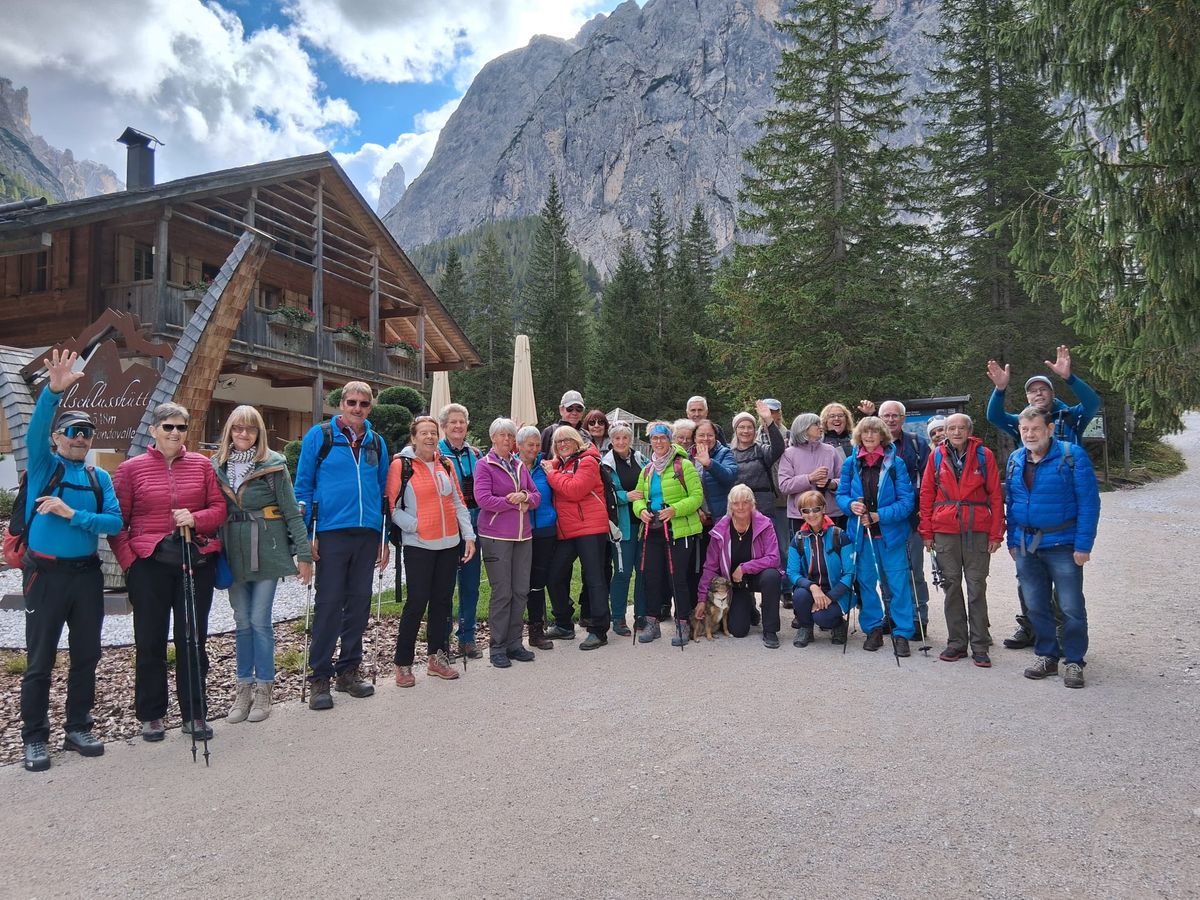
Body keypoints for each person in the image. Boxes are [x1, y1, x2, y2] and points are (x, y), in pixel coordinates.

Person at [19, 349, 122, 772]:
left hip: (85, 578)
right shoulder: (44, 468)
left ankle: (78, 726)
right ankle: (34, 737)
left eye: (87, 432)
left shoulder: (100, 478)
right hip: (45, 575)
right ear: (58, 437)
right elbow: (34, 432)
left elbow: (113, 521)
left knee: (86, 654)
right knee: (40, 657)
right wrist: (52, 394)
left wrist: (71, 514)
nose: (81, 437)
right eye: (74, 431)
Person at [111, 401, 227, 740]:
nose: (175, 433)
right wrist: (130, 563)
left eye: (181, 427)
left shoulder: (202, 466)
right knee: (150, 639)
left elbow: (218, 509)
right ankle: (152, 714)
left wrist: (196, 518)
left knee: (192, 638)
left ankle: (195, 713)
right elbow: (119, 523)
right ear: (154, 430)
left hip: (194, 559)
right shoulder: (131, 469)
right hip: (149, 563)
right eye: (168, 427)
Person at [986, 345, 1101, 650]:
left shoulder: (1071, 416)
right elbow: (993, 415)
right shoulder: (1022, 424)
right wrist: (1000, 389)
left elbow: (1093, 402)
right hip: (1029, 526)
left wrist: (1070, 377)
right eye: (1032, 390)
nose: (1037, 393)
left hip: (1063, 514)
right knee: (1030, 585)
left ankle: (1066, 640)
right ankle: (1032, 629)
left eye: (1043, 389)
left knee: (1067, 592)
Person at [212, 405, 312, 723]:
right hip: (233, 550)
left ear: (259, 433)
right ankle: (243, 690)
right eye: (238, 428)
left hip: (267, 550)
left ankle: (265, 690)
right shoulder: (216, 466)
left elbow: (291, 511)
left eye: (250, 429)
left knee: (259, 620)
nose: (243, 434)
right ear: (229, 431)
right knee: (241, 621)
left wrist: (305, 555)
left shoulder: (272, 466)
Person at [293, 381, 389, 710]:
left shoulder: (376, 442)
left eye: (364, 403)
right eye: (352, 402)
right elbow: (302, 486)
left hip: (366, 532)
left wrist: (383, 538)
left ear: (369, 408)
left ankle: (348, 670)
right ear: (341, 404)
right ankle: (320, 675)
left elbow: (382, 491)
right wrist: (306, 535)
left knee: (359, 603)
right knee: (330, 603)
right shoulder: (320, 436)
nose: (357, 408)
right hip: (331, 531)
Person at [1006, 407, 1100, 689]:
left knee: (1071, 607)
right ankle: (1046, 655)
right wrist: (1012, 540)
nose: (1030, 434)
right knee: (1036, 605)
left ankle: (1073, 660)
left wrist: (1083, 545)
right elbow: (1012, 503)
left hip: (1063, 543)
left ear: (1049, 429)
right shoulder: (1015, 459)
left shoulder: (1072, 456)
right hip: (1026, 545)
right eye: (1025, 430)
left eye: (1035, 429)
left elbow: (1089, 503)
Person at [388, 415, 476, 686]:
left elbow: (458, 503)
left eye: (432, 432)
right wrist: (415, 526)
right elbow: (392, 508)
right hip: (419, 546)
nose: (428, 437)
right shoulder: (401, 466)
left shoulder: (445, 463)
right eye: (423, 433)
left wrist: (468, 536)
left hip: (449, 543)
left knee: (442, 603)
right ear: (413, 437)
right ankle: (403, 663)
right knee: (417, 603)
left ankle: (438, 659)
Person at [919, 414, 1003, 667]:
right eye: (951, 428)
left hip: (976, 528)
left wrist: (996, 533)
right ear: (944, 431)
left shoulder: (983, 455)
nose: (956, 432)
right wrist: (927, 533)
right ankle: (957, 642)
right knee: (951, 586)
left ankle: (979, 644)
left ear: (969, 430)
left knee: (977, 587)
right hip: (945, 529)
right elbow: (926, 494)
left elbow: (996, 495)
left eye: (961, 428)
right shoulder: (935, 457)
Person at [836, 415, 917, 655]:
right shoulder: (851, 463)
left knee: (898, 584)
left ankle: (902, 632)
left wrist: (880, 515)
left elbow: (907, 502)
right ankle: (872, 629)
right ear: (858, 436)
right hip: (861, 536)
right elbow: (841, 495)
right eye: (865, 432)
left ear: (882, 435)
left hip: (890, 536)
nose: (869, 436)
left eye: (874, 432)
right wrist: (851, 505)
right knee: (866, 583)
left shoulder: (896, 464)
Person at [473, 418, 541, 668]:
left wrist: (524, 496)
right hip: (496, 537)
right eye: (503, 435)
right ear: (493, 438)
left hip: (524, 537)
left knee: (520, 591)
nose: (508, 440)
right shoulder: (485, 465)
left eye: (511, 436)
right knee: (502, 593)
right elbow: (483, 500)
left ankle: (514, 643)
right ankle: (497, 646)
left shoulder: (520, 466)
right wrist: (513, 503)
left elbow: (536, 496)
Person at [632, 422, 705, 646]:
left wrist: (675, 510)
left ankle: (683, 621)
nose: (658, 442)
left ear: (669, 439)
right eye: (654, 438)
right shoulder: (647, 469)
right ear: (650, 441)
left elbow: (696, 497)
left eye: (662, 438)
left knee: (678, 578)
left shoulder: (684, 465)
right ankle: (652, 622)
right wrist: (641, 511)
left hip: (679, 530)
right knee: (652, 577)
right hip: (653, 530)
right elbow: (639, 497)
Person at [543, 426, 612, 649]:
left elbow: (574, 490)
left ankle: (599, 630)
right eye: (558, 441)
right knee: (554, 576)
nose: (563, 444)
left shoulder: (588, 461)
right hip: (568, 530)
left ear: (576, 442)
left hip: (590, 528)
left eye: (567, 440)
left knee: (594, 579)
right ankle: (564, 623)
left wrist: (551, 474)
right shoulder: (561, 464)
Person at [697, 484, 782, 647]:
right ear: (730, 506)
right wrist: (701, 599)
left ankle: (770, 631)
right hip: (734, 583)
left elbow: (774, 558)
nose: (741, 507)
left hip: (759, 576)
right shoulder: (721, 529)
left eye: (745, 502)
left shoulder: (765, 524)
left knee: (772, 576)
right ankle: (749, 606)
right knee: (738, 630)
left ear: (753, 504)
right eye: (736, 503)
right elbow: (710, 567)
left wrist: (744, 568)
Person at [876, 400, 931, 635]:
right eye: (886, 416)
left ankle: (918, 618)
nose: (890, 420)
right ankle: (891, 615)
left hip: (910, 519)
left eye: (895, 415)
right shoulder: (871, 446)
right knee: (886, 572)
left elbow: (929, 483)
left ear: (903, 418)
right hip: (882, 521)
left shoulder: (918, 444)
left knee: (913, 571)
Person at [437, 403, 485, 660]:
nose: (457, 426)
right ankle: (441, 639)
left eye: (462, 422)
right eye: (452, 422)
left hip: (474, 527)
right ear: (444, 426)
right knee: (444, 587)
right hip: (446, 528)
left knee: (470, 585)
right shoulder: (436, 453)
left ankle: (467, 637)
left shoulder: (475, 454)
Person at [786, 491, 854, 648]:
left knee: (822, 618)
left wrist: (830, 597)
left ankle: (838, 624)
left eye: (816, 509)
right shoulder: (798, 539)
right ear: (801, 513)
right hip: (812, 590)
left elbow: (850, 573)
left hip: (837, 591)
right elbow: (792, 572)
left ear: (824, 509)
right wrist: (813, 587)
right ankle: (805, 627)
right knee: (800, 595)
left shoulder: (839, 535)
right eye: (806, 510)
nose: (811, 514)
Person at [602, 423, 649, 636]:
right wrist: (625, 497)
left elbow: (651, 482)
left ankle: (641, 614)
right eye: (617, 438)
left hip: (643, 524)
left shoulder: (641, 459)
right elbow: (602, 495)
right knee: (622, 573)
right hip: (621, 527)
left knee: (642, 572)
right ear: (611, 440)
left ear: (630, 439)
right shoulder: (606, 465)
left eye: (624, 438)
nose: (621, 442)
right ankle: (618, 618)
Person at [687, 418, 737, 611]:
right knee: (699, 567)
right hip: (697, 519)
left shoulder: (725, 453)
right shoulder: (688, 457)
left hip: (719, 519)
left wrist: (710, 464)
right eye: (701, 435)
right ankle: (699, 607)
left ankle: (735, 608)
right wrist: (696, 508)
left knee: (725, 565)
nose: (706, 438)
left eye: (710, 435)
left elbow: (729, 477)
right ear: (694, 437)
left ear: (716, 436)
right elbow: (685, 489)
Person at [517, 425, 557, 650]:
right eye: (529, 445)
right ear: (519, 445)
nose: (533, 449)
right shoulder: (511, 465)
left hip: (545, 529)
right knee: (518, 582)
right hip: (518, 531)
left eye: (536, 445)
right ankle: (513, 631)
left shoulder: (546, 466)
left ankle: (536, 630)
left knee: (538, 582)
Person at [777, 413, 844, 535]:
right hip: (800, 515)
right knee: (803, 552)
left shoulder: (831, 451)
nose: (821, 427)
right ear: (804, 428)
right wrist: (809, 478)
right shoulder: (789, 454)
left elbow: (845, 481)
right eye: (816, 424)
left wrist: (831, 484)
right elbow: (784, 486)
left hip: (830, 513)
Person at [730, 401, 785, 514]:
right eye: (742, 427)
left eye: (750, 427)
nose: (746, 431)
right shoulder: (729, 454)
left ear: (755, 430)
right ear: (736, 430)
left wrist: (769, 420)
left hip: (764, 508)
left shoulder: (761, 450)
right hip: (739, 510)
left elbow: (778, 448)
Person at [758, 398, 792, 572]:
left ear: (779, 413)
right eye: (767, 411)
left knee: (785, 546)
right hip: (763, 499)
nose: (770, 415)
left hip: (784, 498)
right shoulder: (753, 437)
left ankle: (787, 588)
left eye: (774, 411)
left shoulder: (789, 435)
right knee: (768, 547)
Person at [540, 390, 587, 455]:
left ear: (583, 412)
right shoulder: (550, 432)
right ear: (561, 410)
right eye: (569, 408)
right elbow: (540, 458)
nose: (574, 413)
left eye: (579, 409)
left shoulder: (587, 435)